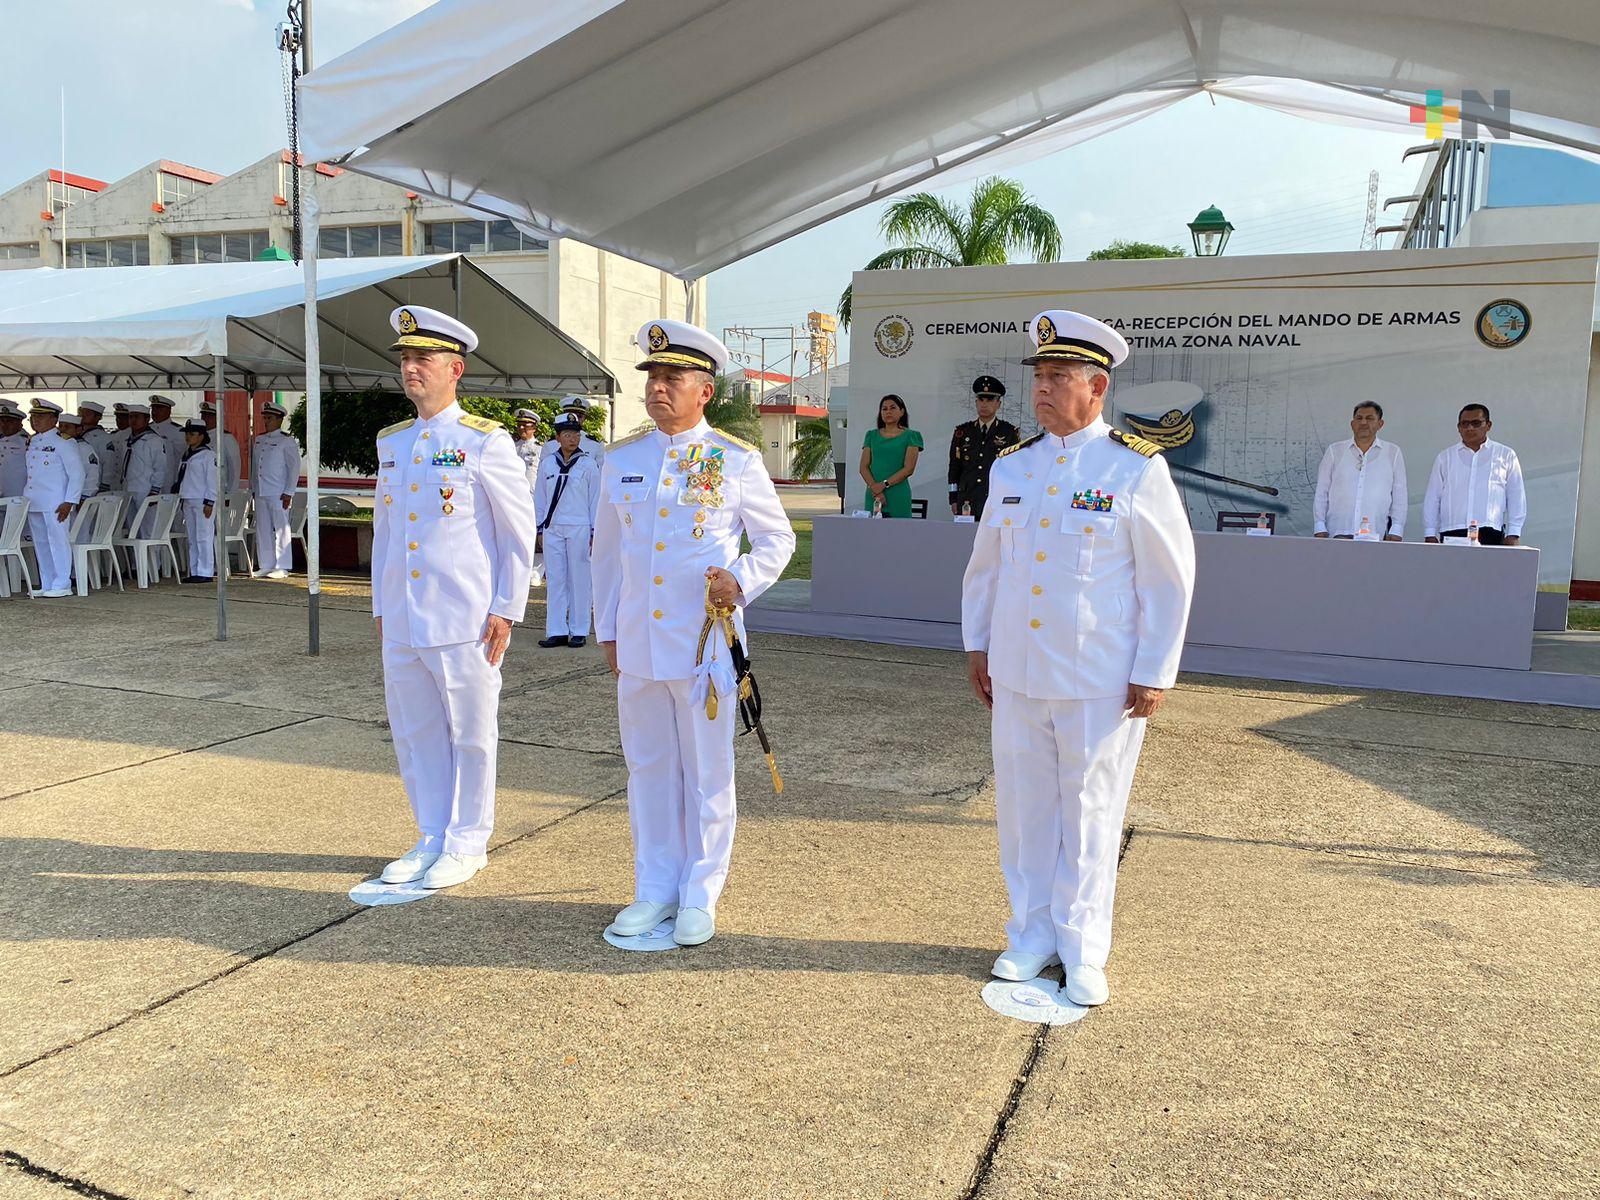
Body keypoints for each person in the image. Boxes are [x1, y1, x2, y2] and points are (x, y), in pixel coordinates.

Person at [962, 309, 1195, 1009]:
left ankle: (1084, 947)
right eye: (1039, 375)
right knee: (1025, 808)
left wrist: (1155, 671)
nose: (1042, 387)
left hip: (1099, 678)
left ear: (1097, 388)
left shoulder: (1132, 467)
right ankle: (1030, 935)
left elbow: (1168, 576)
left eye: (1059, 376)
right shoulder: (1014, 466)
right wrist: (978, 645)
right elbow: (986, 568)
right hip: (1019, 670)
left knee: (1091, 811)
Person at [592, 319, 794, 946]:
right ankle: (654, 888)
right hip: (639, 644)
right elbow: (606, 553)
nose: (657, 388)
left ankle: (701, 892)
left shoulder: (734, 459)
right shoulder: (622, 458)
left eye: (672, 377)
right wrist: (608, 629)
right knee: (648, 768)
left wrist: (740, 578)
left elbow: (776, 539)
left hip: (704, 646)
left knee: (708, 772)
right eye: (652, 377)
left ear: (704, 389)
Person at [372, 305, 537, 891]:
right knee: (415, 731)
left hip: (467, 615)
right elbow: (388, 533)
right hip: (405, 615)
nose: (411, 369)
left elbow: (519, 532)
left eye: (423, 359)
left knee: (470, 731)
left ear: (456, 369)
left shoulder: (485, 441)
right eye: (406, 360)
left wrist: (506, 608)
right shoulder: (392, 441)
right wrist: (380, 605)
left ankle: (468, 840)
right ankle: (431, 834)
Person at [534, 412, 602, 648]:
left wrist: (595, 531)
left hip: (579, 526)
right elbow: (540, 499)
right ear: (558, 437)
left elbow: (596, 499)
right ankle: (556, 630)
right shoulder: (547, 464)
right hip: (553, 527)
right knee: (555, 579)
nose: (573, 438)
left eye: (576, 434)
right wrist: (539, 528)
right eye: (567, 434)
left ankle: (579, 629)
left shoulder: (588, 464)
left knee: (580, 578)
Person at [1423, 404, 1527, 546]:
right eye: (1465, 424)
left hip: (1489, 531)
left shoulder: (1505, 455)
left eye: (1476, 423)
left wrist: (1514, 532)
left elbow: (1516, 495)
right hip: (1453, 531)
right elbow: (1433, 497)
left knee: (1489, 569)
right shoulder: (1445, 458)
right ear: (1458, 428)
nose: (1470, 428)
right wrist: (1430, 533)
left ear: (1488, 425)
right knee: (1452, 569)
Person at [1313, 401, 1407, 541]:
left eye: (1369, 418)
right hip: (1338, 532)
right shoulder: (1335, 451)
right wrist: (1319, 525)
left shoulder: (1392, 452)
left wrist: (1397, 529)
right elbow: (1322, 491)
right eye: (1359, 418)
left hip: (1375, 533)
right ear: (1352, 423)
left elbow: (1400, 494)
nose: (1363, 422)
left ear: (1380, 424)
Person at [23, 399, 85, 598]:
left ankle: (63, 582)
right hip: (35, 500)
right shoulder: (33, 440)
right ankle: (48, 582)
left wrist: (70, 501)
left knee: (58, 542)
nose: (35, 420)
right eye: (33, 416)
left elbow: (77, 474)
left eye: (40, 416)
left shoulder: (64, 441)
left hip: (56, 502)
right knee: (41, 543)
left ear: (54, 419)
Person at [949, 375, 1020, 516]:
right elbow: (954, 469)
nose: (984, 404)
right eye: (981, 399)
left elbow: (1014, 469)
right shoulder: (962, 432)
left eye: (990, 400)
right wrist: (953, 498)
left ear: (998, 404)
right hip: (967, 499)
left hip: (995, 498)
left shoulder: (1009, 432)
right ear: (976, 402)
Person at [251, 401, 302, 578]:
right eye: (265, 418)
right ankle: (266, 563)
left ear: (279, 419)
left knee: (281, 527)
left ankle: (283, 565)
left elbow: (294, 467)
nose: (266, 421)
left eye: (270, 418)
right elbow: (255, 466)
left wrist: (289, 491)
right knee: (262, 528)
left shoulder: (286, 441)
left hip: (278, 491)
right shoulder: (259, 439)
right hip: (261, 490)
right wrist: (253, 487)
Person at [859, 394, 923, 518]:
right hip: (874, 493)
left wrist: (883, 485)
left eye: (893, 408)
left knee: (899, 533)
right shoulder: (871, 435)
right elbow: (863, 467)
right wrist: (875, 489)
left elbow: (909, 468)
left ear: (902, 411)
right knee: (872, 533)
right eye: (884, 409)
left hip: (897, 493)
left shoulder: (911, 436)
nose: (888, 412)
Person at [176, 419, 218, 582]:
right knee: (192, 537)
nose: (188, 437)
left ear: (201, 436)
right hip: (188, 498)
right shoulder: (187, 454)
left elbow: (213, 480)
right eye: (187, 434)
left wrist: (210, 502)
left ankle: (205, 571)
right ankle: (194, 570)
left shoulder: (208, 455)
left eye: (192, 434)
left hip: (202, 499)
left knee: (204, 536)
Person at [120, 402, 167, 537]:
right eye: (131, 417)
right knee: (132, 532)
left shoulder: (154, 440)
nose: (133, 420)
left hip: (146, 490)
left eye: (137, 417)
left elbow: (160, 467)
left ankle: (152, 558)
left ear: (146, 419)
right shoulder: (128, 439)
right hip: (129, 489)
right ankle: (138, 559)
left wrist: (155, 490)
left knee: (148, 531)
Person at [539, 396, 607, 468]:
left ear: (584, 418)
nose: (575, 420)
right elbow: (542, 474)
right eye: (571, 416)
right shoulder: (550, 444)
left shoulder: (595, 445)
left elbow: (600, 475)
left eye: (579, 416)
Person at [200, 398, 243, 493]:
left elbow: (234, 469)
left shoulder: (226, 438)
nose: (205, 419)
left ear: (217, 418)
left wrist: (230, 494)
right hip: (200, 490)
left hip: (218, 490)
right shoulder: (198, 437)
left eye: (209, 416)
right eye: (203, 416)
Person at [57, 411, 102, 498]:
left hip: (77, 497)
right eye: (60, 426)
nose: (62, 430)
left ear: (78, 430)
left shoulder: (84, 448)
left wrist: (85, 496)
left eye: (67, 427)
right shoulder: (57, 446)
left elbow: (92, 475)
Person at [149, 395, 184, 493]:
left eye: (159, 408)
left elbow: (180, 458)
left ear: (169, 410)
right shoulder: (146, 429)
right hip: (148, 481)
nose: (155, 411)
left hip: (168, 481)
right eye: (153, 408)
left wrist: (178, 481)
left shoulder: (178, 431)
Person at [100, 403, 131, 492]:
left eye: (123, 418)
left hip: (128, 482)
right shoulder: (113, 436)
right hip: (113, 482)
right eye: (118, 418)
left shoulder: (133, 437)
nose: (119, 420)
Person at [0, 402, 27, 498]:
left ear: (20, 425)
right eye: (2, 421)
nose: (4, 425)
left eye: (10, 422)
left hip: (16, 495)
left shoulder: (27, 444)